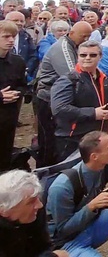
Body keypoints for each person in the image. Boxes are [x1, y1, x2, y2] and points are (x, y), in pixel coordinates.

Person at [47, 131, 108, 257]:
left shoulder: (107, 166)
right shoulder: (62, 186)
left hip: (90, 226)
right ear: (94, 156)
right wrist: (91, 206)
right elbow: (63, 230)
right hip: (65, 243)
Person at [34, 21, 93, 168]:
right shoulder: (63, 48)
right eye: (83, 36)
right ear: (72, 33)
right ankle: (44, 174)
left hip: (58, 97)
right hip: (48, 99)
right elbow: (73, 75)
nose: (85, 40)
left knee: (59, 140)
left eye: (89, 36)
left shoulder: (74, 46)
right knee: (48, 141)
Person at [51, 41, 108, 161]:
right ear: (77, 56)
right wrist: (93, 113)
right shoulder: (68, 80)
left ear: (100, 57)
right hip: (72, 140)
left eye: (92, 55)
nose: (87, 58)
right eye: (83, 55)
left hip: (96, 138)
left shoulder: (104, 78)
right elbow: (59, 109)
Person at [0, 170, 69, 257]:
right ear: (4, 211)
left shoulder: (36, 213)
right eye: (31, 202)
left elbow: (44, 246)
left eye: (37, 198)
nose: (40, 205)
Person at [0, 20, 26, 172]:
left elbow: (22, 84)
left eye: (13, 37)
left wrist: (17, 93)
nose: (11, 40)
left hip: (8, 118)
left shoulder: (17, 62)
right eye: (6, 36)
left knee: (4, 157)